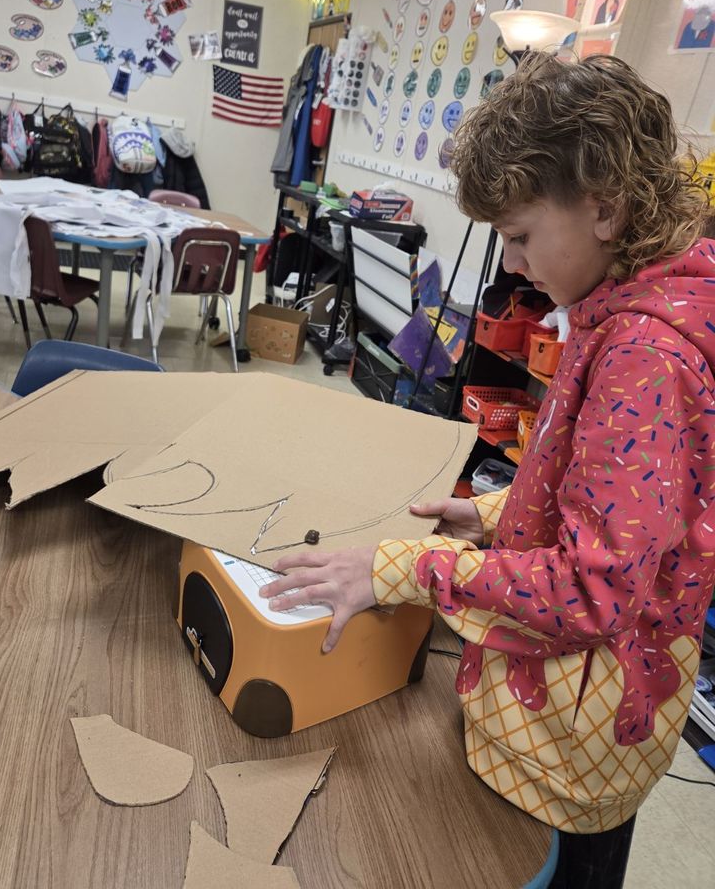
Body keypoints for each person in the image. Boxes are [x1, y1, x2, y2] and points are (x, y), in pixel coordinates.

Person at [260, 53, 715, 889]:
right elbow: (627, 507)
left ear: (605, 209)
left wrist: (401, 567)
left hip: (572, 749)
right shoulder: (635, 308)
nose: (509, 265)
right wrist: (503, 513)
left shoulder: (646, 354)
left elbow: (595, 588)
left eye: (519, 236)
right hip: (595, 716)